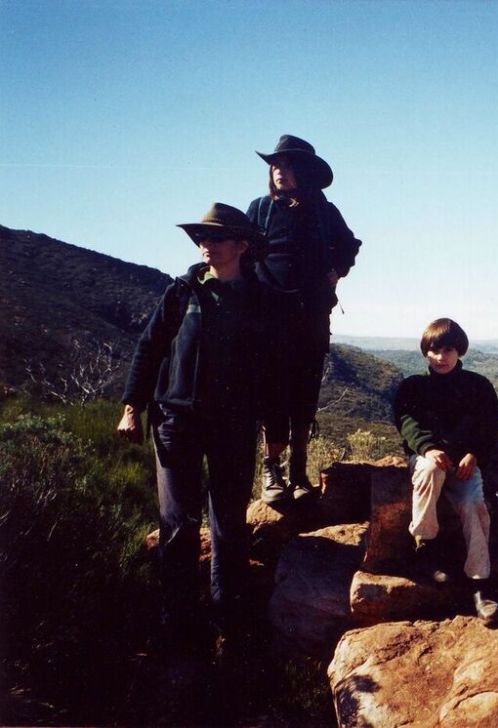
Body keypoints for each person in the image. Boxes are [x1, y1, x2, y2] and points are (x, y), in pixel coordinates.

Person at [117, 203, 284, 656]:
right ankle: (177, 624)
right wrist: (131, 407)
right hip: (176, 420)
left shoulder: (260, 300)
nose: (206, 245)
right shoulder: (182, 292)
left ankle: (229, 620)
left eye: (216, 238)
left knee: (229, 522)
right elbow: (149, 349)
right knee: (177, 524)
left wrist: (274, 430)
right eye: (201, 238)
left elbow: (270, 371)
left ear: (241, 246)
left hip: (233, 423)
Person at [247, 134, 362, 505]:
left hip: (311, 317)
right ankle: (272, 469)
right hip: (268, 320)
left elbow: (350, 244)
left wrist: (337, 271)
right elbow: (241, 253)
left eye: (287, 165)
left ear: (304, 171)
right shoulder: (260, 210)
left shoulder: (324, 212)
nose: (279, 171)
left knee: (304, 394)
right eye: (275, 165)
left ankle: (298, 472)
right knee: (271, 395)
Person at [392, 318, 498, 624]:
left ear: (460, 351)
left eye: (448, 349)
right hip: (429, 459)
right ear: (425, 352)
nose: (441, 357)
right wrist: (428, 448)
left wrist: (474, 455)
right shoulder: (413, 387)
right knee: (429, 470)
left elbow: (489, 425)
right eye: (434, 350)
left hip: (464, 464)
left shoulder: (478, 387)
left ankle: (481, 586)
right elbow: (407, 424)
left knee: (473, 505)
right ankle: (425, 549)